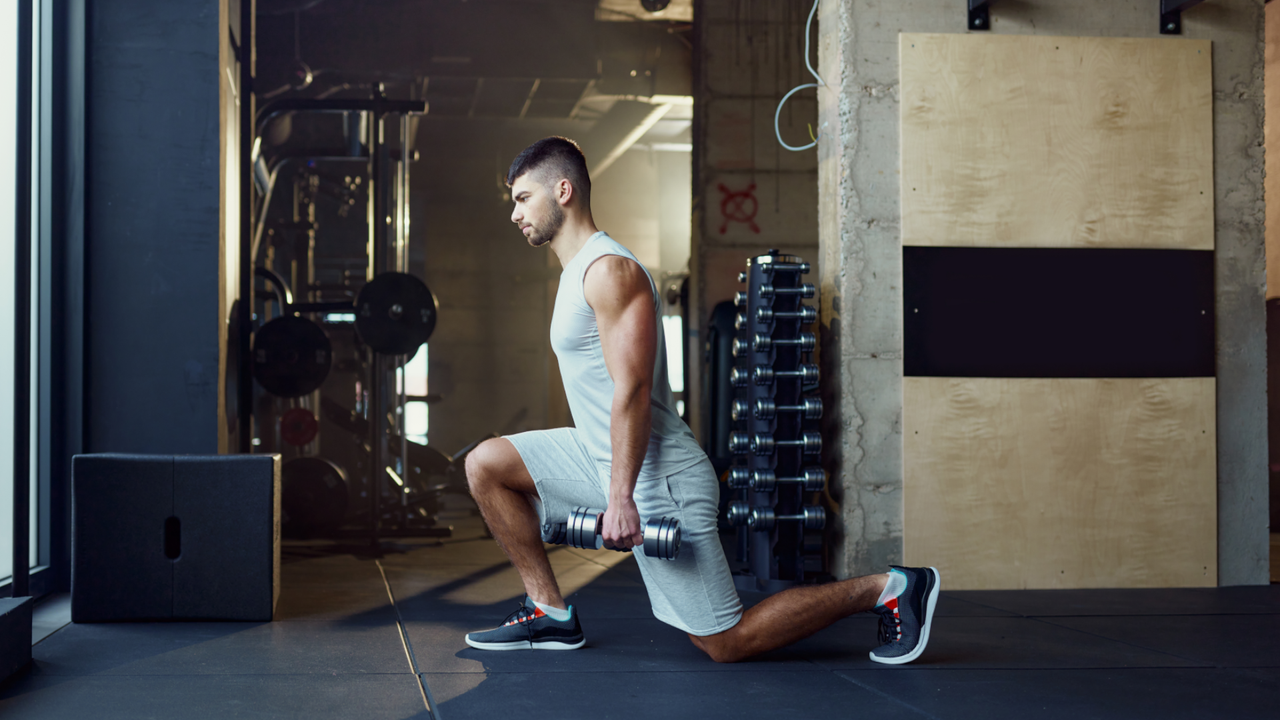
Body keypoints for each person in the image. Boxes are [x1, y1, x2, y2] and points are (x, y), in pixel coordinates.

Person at [462, 136, 939, 664]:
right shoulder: (575, 271)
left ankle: (890, 587)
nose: (514, 213)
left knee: (724, 642)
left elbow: (633, 390)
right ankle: (549, 613)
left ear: (563, 191)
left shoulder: (608, 271)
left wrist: (621, 500)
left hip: (658, 476)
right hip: (599, 456)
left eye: (523, 198)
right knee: (487, 465)